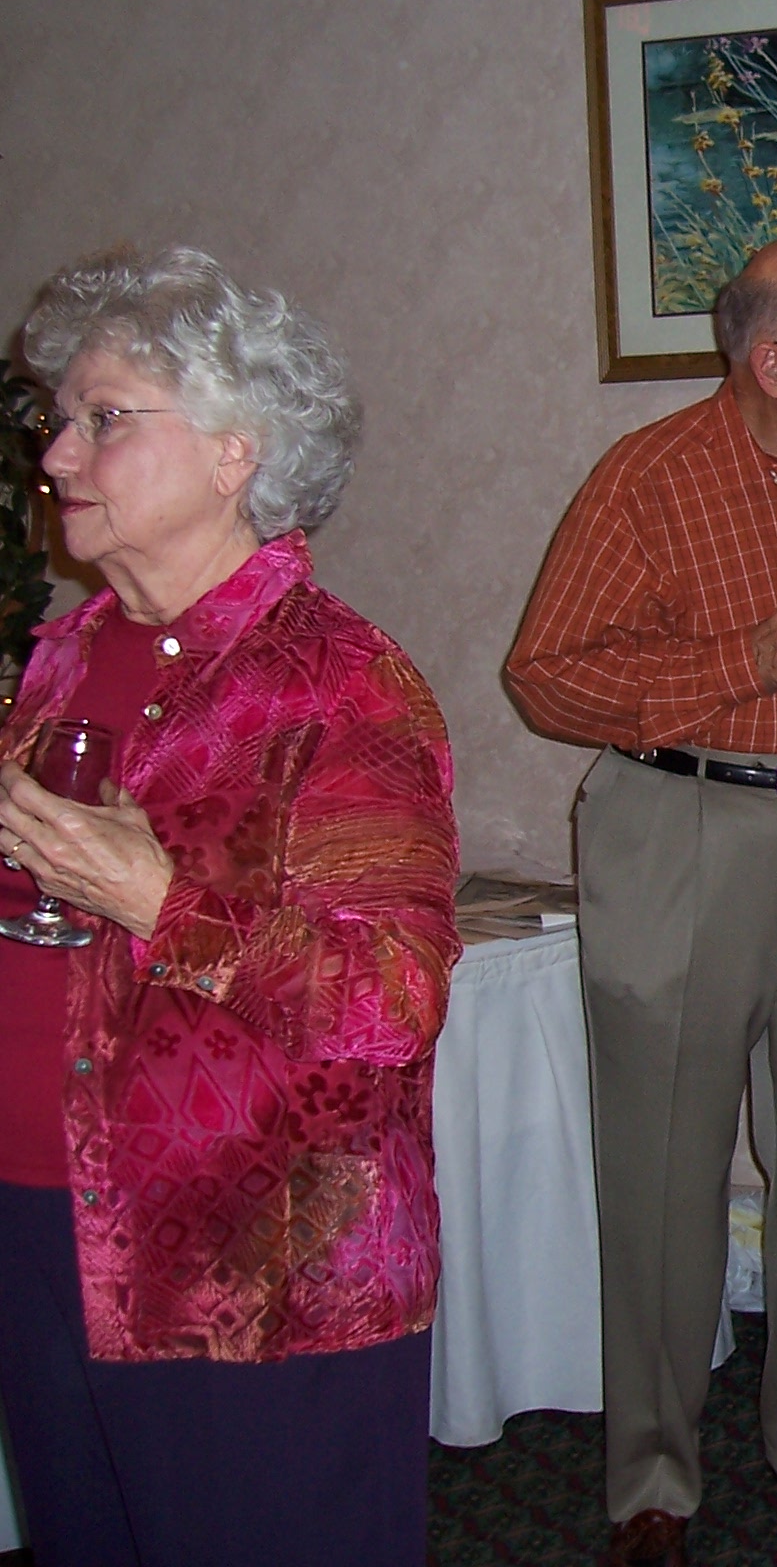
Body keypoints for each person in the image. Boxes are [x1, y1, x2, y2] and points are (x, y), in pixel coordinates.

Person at [0, 246, 462, 1567]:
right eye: (59, 420)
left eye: (105, 419)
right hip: (42, 1219)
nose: (58, 457)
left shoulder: (340, 682)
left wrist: (159, 899)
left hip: (249, 1261)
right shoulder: (64, 655)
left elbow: (393, 1001)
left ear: (233, 452)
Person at [504, 235, 777, 1565]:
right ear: (771, 362)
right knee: (663, 1172)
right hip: (680, 825)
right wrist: (739, 658)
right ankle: (651, 1476)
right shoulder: (650, 478)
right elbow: (548, 677)